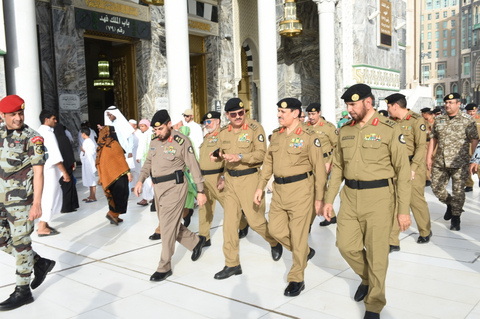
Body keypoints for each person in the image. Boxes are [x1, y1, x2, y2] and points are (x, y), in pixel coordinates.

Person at [322, 84, 411, 319]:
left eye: (353, 104)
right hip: (350, 197)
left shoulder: (390, 129)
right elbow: (339, 167)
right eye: (347, 105)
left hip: (380, 198)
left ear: (368, 103)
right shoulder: (345, 131)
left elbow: (403, 171)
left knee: (377, 253)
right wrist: (328, 200)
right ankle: (367, 278)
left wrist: (403, 210)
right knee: (345, 246)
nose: (349, 109)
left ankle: (374, 304)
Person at [254, 98, 327, 297]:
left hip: (302, 190)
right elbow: (268, 162)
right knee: (275, 229)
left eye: (283, 112)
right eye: (278, 111)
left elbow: (320, 169)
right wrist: (260, 186)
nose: (279, 115)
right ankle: (304, 252)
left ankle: (296, 278)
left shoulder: (309, 136)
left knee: (298, 234)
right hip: (279, 191)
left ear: (295, 113)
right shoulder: (276, 136)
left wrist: (319, 198)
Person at [211, 98, 281, 280]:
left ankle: (274, 242)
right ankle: (232, 264)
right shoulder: (224, 132)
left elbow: (261, 154)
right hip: (230, 181)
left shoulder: (254, 128)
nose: (238, 117)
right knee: (229, 224)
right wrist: (219, 164)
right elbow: (222, 153)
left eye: (241, 113)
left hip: (250, 179)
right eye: (233, 115)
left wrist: (240, 156)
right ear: (227, 115)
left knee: (255, 221)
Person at [134, 110, 207, 282]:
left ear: (168, 124)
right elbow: (148, 163)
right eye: (155, 130)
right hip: (158, 188)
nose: (157, 133)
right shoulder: (154, 141)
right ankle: (195, 242)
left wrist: (201, 190)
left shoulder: (181, 141)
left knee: (166, 229)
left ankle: (164, 266)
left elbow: (193, 166)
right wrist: (140, 181)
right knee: (169, 223)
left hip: (175, 187)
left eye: (160, 129)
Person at [0, 95, 56, 311]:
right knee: (3, 240)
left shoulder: (32, 138)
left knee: (21, 243)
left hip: (21, 202)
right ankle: (39, 263)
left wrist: (37, 204)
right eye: (13, 114)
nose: (18, 118)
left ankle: (23, 291)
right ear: (2, 115)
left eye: (20, 113)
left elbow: (39, 173)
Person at [385, 93, 432, 252]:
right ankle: (393, 240)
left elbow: (421, 147)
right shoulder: (390, 122)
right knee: (394, 202)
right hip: (395, 166)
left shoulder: (416, 120)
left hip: (413, 165)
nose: (388, 110)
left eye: (389, 106)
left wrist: (413, 168)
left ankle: (425, 230)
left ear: (395, 106)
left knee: (414, 200)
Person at [427, 93, 479, 231]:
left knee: (458, 191)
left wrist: (475, 159)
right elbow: (433, 138)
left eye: (451, 103)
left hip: (460, 161)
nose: (447, 105)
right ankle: (450, 204)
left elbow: (474, 139)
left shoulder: (468, 120)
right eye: (446, 103)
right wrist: (428, 157)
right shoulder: (439, 120)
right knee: (436, 188)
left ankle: (456, 217)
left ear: (458, 104)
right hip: (440, 161)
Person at [198, 111, 249, 246]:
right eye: (206, 122)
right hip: (204, 178)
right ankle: (204, 236)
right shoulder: (207, 137)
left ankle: (243, 224)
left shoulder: (223, 135)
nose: (207, 124)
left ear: (218, 121)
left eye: (210, 122)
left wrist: (223, 176)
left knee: (229, 206)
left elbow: (228, 157)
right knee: (204, 207)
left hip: (217, 176)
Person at [37, 110, 71, 236]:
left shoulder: (40, 131)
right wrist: (64, 172)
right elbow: (55, 155)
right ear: (46, 119)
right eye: (53, 118)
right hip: (50, 170)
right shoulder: (48, 133)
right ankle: (41, 226)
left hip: (44, 169)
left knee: (48, 195)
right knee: (49, 196)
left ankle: (44, 223)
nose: (56, 121)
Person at [305, 102, 338, 226]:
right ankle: (331, 215)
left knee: (320, 188)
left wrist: (330, 162)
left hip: (324, 162)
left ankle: (323, 216)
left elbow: (337, 146)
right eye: (309, 114)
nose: (311, 117)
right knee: (315, 189)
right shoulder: (305, 126)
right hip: (309, 162)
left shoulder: (328, 127)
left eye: (313, 114)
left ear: (319, 113)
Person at [96, 126, 132, 225]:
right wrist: (128, 172)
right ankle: (113, 214)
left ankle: (115, 215)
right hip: (119, 174)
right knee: (121, 195)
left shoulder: (101, 147)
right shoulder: (113, 144)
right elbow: (121, 160)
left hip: (108, 176)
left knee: (113, 196)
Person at [54, 124, 79, 213]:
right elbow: (69, 153)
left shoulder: (55, 140)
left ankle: (68, 206)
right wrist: (72, 163)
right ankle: (68, 207)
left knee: (64, 187)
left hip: (59, 166)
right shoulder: (64, 139)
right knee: (68, 186)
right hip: (67, 165)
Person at [135, 119, 154, 208]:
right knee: (146, 179)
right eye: (140, 126)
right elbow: (140, 147)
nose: (141, 128)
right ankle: (146, 198)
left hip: (151, 159)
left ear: (147, 126)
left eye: (143, 126)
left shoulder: (151, 133)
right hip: (144, 159)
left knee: (151, 179)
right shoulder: (142, 135)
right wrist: (138, 156)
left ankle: (151, 197)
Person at [464, 103, 480, 192]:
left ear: (476, 110)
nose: (472, 113)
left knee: (479, 165)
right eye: (470, 111)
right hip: (467, 145)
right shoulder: (464, 120)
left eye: (473, 111)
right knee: (466, 166)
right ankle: (469, 184)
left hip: (478, 146)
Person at [80, 127, 97, 202]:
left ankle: (93, 196)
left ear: (84, 134)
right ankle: (90, 195)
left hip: (90, 163)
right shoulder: (86, 141)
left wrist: (83, 150)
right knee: (88, 179)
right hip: (86, 163)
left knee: (91, 179)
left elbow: (91, 152)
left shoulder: (89, 141)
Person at [420, 107, 435, 187]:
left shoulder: (437, 121)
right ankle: (427, 178)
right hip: (427, 142)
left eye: (423, 114)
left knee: (436, 159)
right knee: (427, 160)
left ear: (426, 114)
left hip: (436, 142)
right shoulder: (423, 122)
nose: (422, 115)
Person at [129, 119, 143, 189]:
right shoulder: (129, 133)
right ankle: (133, 185)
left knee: (138, 170)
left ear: (135, 126)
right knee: (132, 170)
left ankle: (139, 185)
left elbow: (141, 145)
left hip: (138, 153)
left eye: (130, 125)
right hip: (131, 154)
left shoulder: (139, 133)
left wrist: (139, 155)